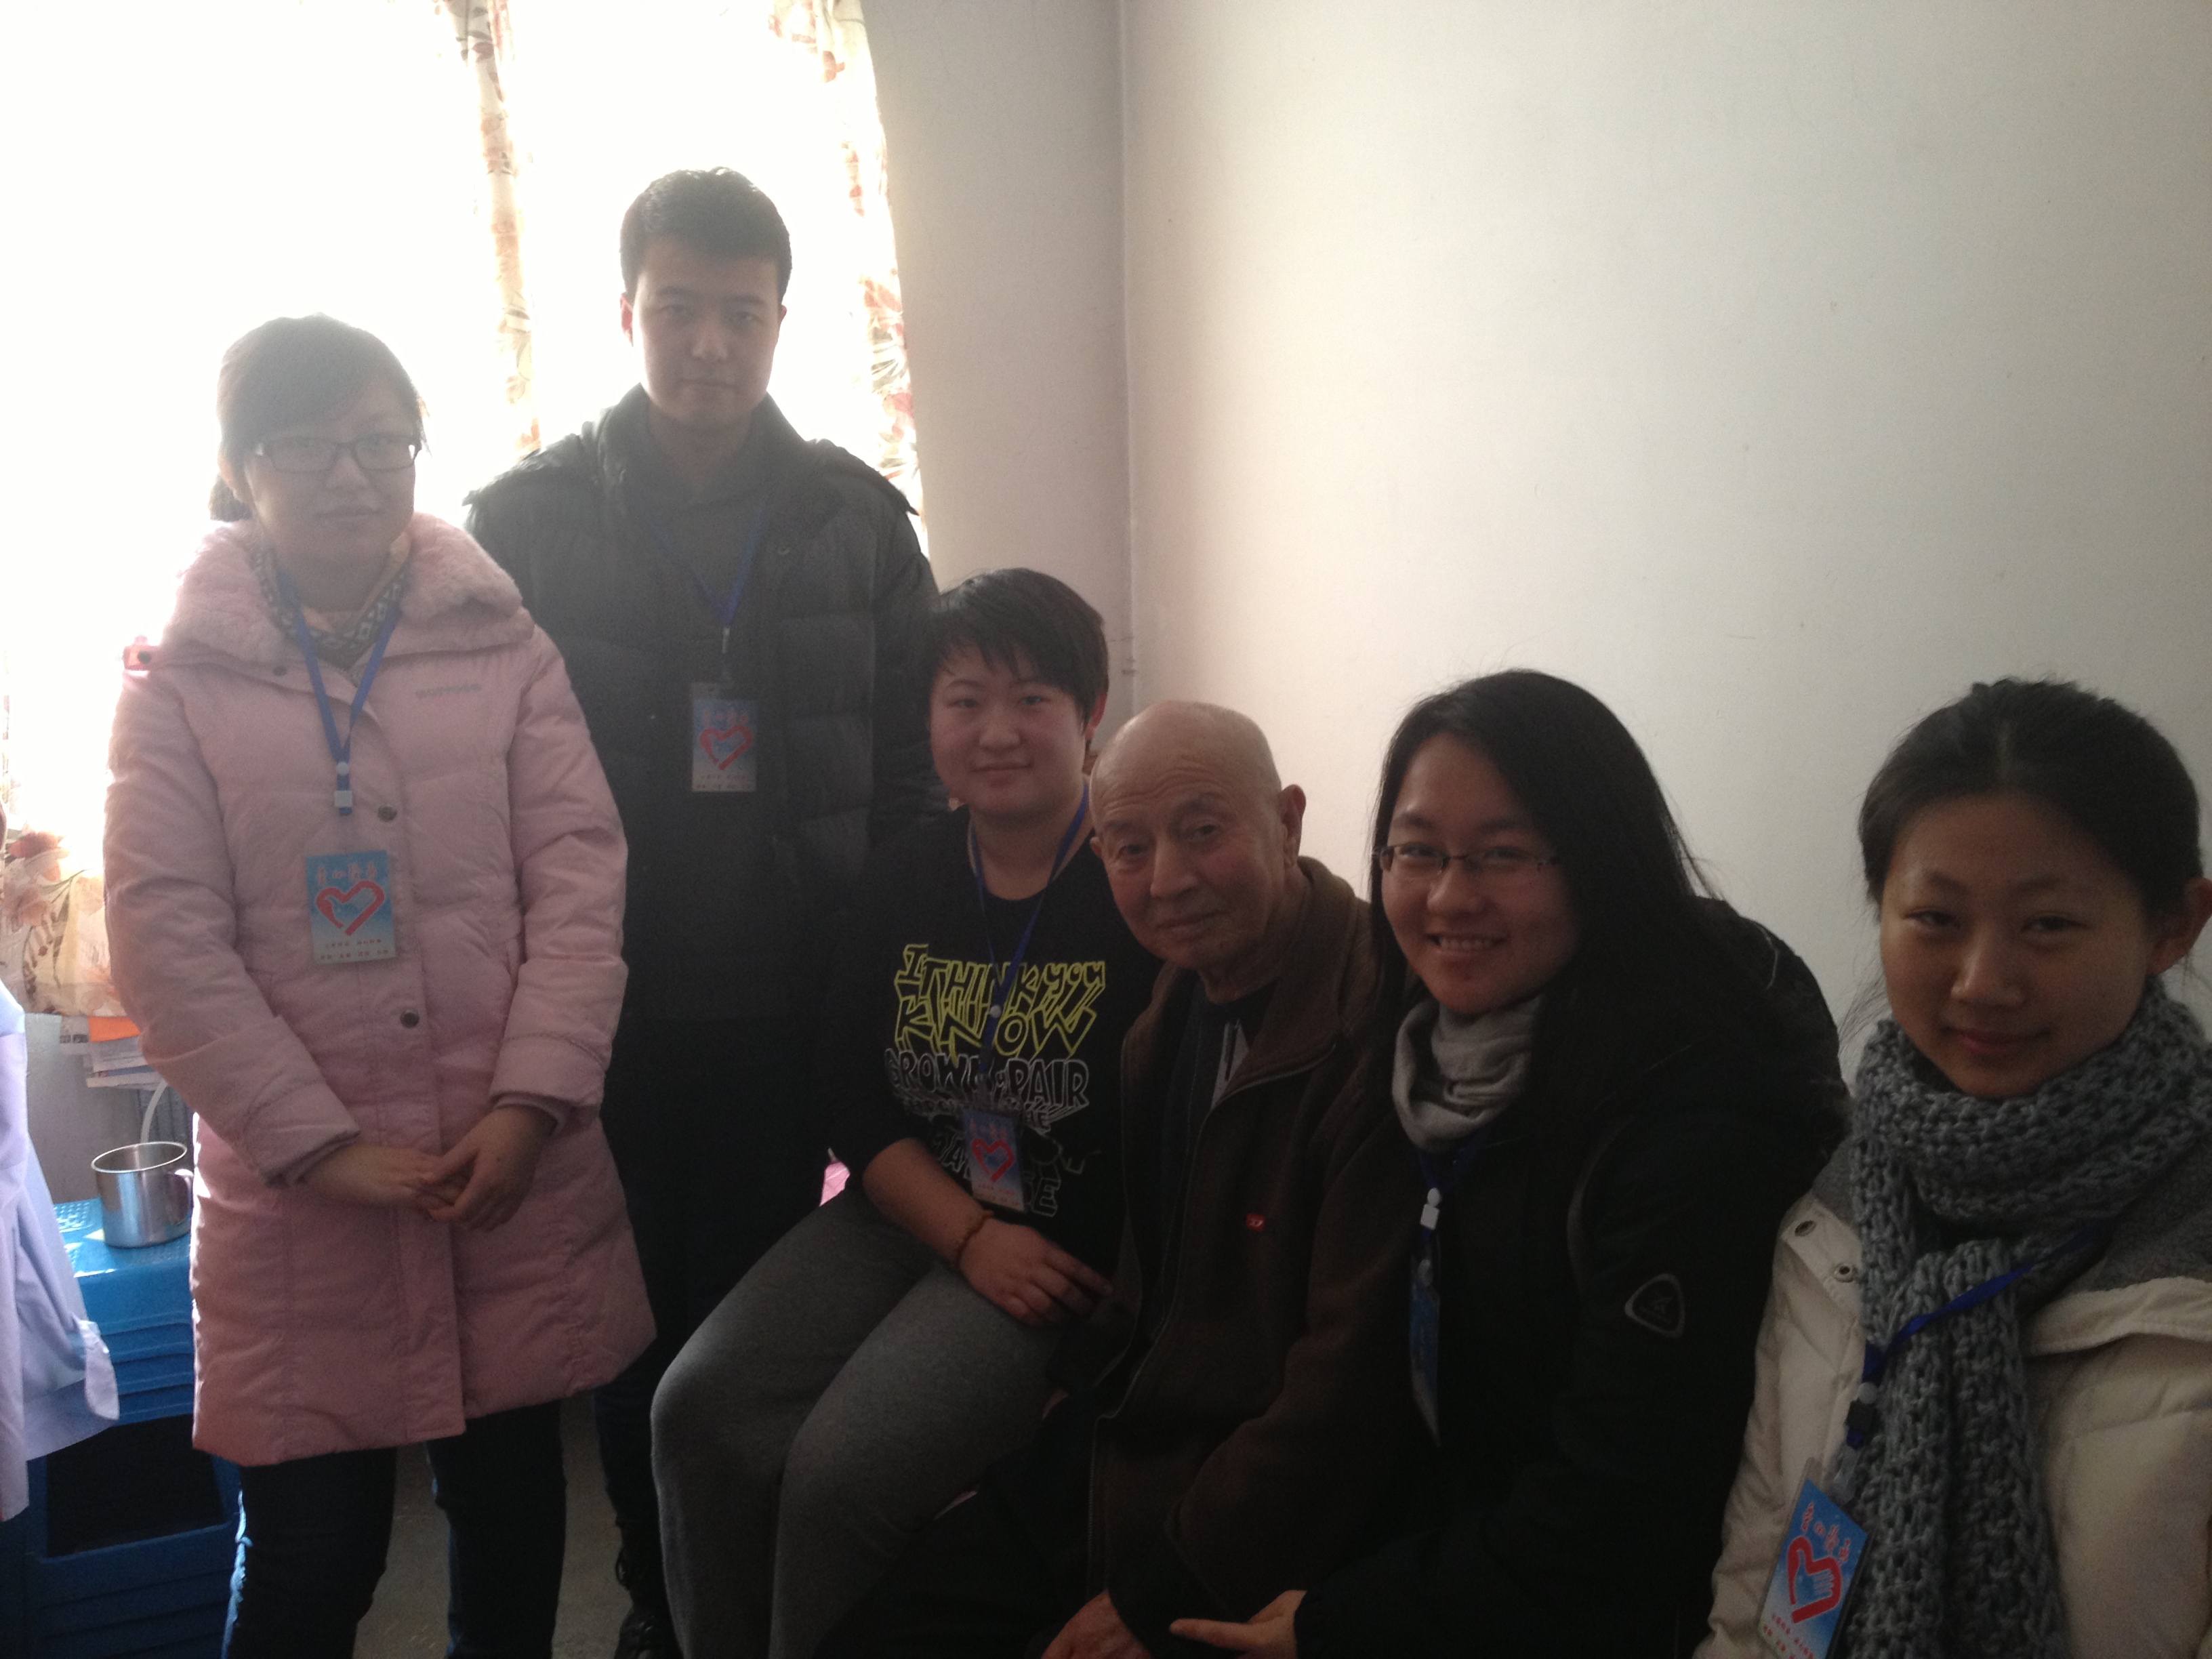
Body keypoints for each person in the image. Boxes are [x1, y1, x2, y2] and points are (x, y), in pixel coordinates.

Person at [102, 314, 649, 1658]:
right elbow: (164, 938)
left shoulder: (501, 641)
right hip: (304, 1206)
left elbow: (579, 875)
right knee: (311, 1562)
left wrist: (531, 1104)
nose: (351, 475)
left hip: (501, 1169)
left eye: (382, 442)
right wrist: (320, 1147)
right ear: (241, 467)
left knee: (513, 1527)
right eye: (307, 445)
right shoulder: (178, 678)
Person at [464, 167, 941, 1654]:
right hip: (597, 1013)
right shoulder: (525, 522)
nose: (710, 345)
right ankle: (656, 1604)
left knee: (735, 1331)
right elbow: (466, 778)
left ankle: (724, 1600)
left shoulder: (858, 520)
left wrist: (883, 983)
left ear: (783, 322)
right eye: (679, 309)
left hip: (788, 1012)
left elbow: (915, 779)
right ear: (627, 315)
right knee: (625, 1329)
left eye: (743, 313)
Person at [1172, 670, 1841, 1659]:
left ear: (1602, 862)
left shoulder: (1697, 1114)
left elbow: (1619, 1518)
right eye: (1417, 851)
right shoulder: (1414, 1046)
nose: (1451, 896)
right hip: (1449, 1562)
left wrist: (1340, 1621)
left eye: (1504, 854)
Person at [822, 700, 1421, 1659]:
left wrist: (1157, 1589)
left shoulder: (1373, 1041)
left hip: (1243, 1510)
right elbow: (1149, 1279)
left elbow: (1345, 1393)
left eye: (1203, 832)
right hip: (1135, 1439)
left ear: (1288, 821)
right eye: (1130, 848)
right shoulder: (1171, 1007)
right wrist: (1055, 1436)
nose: (1167, 881)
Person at [651, 569, 1158, 1659]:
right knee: (695, 1411)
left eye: (1032, 699)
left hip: (1054, 1252)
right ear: (927, 719)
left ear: (1091, 714)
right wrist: (963, 1233)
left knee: (843, 1475)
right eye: (964, 700)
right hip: (914, 1209)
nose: (996, 732)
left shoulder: (1137, 885)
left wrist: (1051, 1292)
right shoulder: (905, 876)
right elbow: (848, 1083)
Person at [1698, 678, 2212, 1659]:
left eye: (2048, 925)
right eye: (1935, 918)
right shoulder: (1839, 1205)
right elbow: (1759, 1578)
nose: (1982, 982)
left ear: (2173, 925)